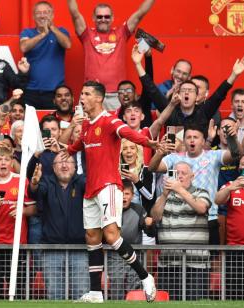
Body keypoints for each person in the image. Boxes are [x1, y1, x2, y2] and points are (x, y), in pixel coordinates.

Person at [63, 81, 157, 303]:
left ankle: (145, 277)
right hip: (91, 190)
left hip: (109, 186)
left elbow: (128, 133)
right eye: (81, 93)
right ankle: (95, 293)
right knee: (92, 238)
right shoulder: (86, 125)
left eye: (86, 94)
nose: (82, 98)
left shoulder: (110, 121)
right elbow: (70, 148)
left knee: (112, 235)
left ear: (98, 98)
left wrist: (150, 143)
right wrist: (59, 140)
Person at [149, 123, 244, 245]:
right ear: (184, 141)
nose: (192, 140)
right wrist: (160, 152)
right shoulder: (174, 157)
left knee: (212, 260)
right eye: (188, 137)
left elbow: (236, 155)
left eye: (196, 137)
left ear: (203, 141)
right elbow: (152, 167)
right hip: (177, 218)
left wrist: (233, 138)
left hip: (208, 217)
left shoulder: (213, 156)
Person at [66, 0, 155, 110]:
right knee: (85, 126)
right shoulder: (87, 34)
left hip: (116, 96)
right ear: (93, 18)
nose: (103, 19)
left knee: (117, 127)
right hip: (91, 94)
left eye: (107, 17)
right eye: (99, 17)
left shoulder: (122, 33)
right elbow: (75, 14)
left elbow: (140, 13)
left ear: (112, 18)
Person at [29, 153, 89, 300]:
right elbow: (35, 192)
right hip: (51, 249)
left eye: (68, 162)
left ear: (75, 167)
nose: (64, 165)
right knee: (54, 294)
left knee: (81, 294)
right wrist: (34, 183)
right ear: (53, 168)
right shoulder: (46, 183)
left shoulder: (82, 182)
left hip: (79, 249)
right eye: (60, 163)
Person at [137, 55, 244, 131]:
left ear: (197, 96)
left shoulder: (203, 113)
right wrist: (138, 63)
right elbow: (152, 90)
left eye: (190, 91)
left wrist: (234, 75)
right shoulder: (171, 113)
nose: (186, 92)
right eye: (184, 90)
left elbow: (219, 94)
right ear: (179, 94)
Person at [151, 162, 211, 300]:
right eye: (176, 173)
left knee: (196, 303)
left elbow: (201, 208)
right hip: (168, 263)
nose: (180, 176)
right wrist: (165, 195)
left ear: (192, 176)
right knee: (169, 303)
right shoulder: (164, 196)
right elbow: (155, 216)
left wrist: (180, 190)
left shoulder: (201, 192)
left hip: (197, 264)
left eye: (183, 173)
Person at [0, 145, 36, 299]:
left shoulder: (21, 180)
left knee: (18, 292)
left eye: (7, 159)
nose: (3, 162)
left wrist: (23, 210)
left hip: (16, 244)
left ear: (11, 163)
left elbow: (34, 209)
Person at [108, 180, 155, 299]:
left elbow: (150, 233)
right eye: (121, 193)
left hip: (135, 254)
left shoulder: (138, 209)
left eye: (127, 194)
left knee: (134, 285)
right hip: (115, 255)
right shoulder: (109, 209)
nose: (124, 197)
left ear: (132, 196)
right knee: (116, 284)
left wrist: (149, 225)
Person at [20, 1, 71, 109]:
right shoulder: (27, 32)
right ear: (34, 16)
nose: (42, 15)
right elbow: (23, 47)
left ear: (52, 15)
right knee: (30, 125)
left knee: (53, 124)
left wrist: (52, 28)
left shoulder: (61, 31)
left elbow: (67, 44)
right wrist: (43, 34)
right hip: (31, 90)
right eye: (38, 13)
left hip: (55, 91)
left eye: (46, 12)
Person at [215, 154, 244, 300]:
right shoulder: (230, 185)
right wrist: (231, 188)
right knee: (235, 292)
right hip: (235, 248)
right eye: (243, 163)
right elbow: (217, 200)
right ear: (238, 168)